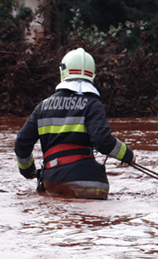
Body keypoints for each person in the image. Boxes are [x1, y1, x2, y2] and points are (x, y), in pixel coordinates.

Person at [14, 47, 135, 199]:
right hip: (91, 182)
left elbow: (21, 142)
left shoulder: (43, 107)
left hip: (53, 180)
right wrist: (128, 155)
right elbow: (103, 141)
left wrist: (28, 171)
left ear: (63, 71)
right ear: (92, 74)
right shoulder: (93, 104)